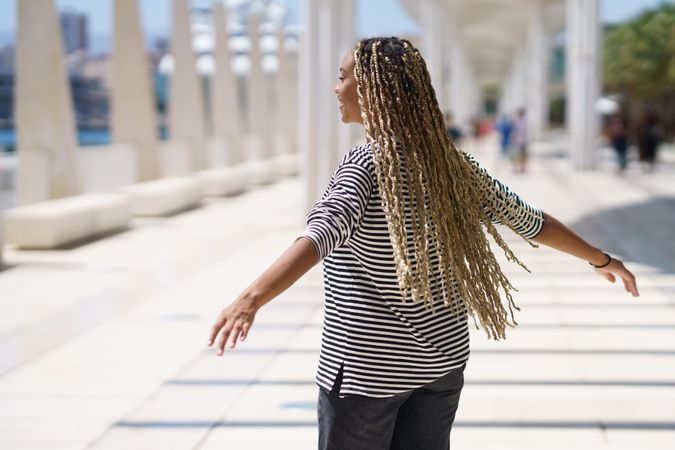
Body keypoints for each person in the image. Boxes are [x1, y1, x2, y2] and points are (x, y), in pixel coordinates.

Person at [207, 37, 639, 450]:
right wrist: (601, 259)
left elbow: (321, 234)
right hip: (441, 362)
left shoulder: (367, 162)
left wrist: (250, 299)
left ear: (376, 90)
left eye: (343, 77)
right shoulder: (452, 165)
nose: (336, 89)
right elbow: (530, 221)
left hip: (368, 371)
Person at [511, 108, 528, 173]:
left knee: (522, 155)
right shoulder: (517, 121)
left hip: (522, 141)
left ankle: (522, 168)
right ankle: (518, 168)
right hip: (518, 141)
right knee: (517, 155)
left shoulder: (524, 121)